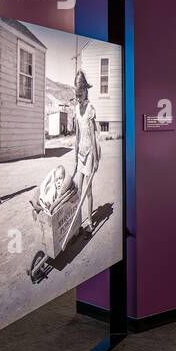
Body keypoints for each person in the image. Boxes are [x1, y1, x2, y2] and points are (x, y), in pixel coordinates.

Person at [68, 69, 101, 233]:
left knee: (88, 190)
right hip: (80, 154)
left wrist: (95, 159)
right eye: (76, 95)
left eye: (80, 95)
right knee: (78, 190)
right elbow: (77, 136)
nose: (78, 98)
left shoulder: (90, 109)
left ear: (85, 91)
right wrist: (74, 159)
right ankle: (77, 224)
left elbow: (94, 136)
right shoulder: (76, 109)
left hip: (89, 154)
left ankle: (90, 223)